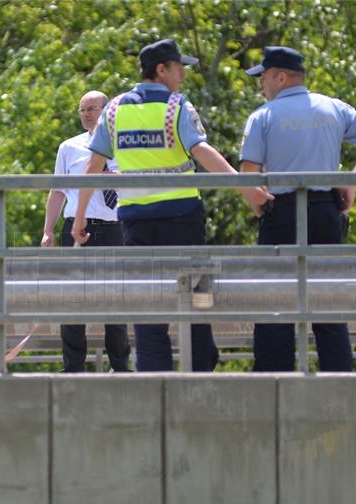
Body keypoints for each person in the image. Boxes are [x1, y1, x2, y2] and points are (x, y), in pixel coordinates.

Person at [72, 38, 270, 372]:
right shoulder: (177, 106)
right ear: (161, 70)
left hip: (136, 222)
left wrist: (80, 218)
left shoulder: (114, 109)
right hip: (183, 218)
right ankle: (202, 366)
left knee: (148, 306)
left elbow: (93, 166)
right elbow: (201, 151)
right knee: (197, 295)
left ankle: (155, 378)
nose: (182, 75)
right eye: (179, 68)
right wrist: (245, 186)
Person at [240, 46, 356, 372]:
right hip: (325, 212)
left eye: (263, 78)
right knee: (327, 302)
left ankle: (271, 384)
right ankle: (339, 384)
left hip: (281, 213)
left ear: (279, 77)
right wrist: (350, 184)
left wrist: (257, 203)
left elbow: (248, 176)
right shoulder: (333, 107)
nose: (261, 86)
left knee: (275, 304)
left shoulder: (263, 116)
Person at [41, 90, 131, 373]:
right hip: (77, 228)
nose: (85, 114)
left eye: (91, 108)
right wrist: (48, 231)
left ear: (105, 110)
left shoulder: (125, 145)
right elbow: (56, 191)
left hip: (115, 228)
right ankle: (73, 367)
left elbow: (135, 183)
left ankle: (119, 365)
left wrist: (107, 175)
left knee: (116, 301)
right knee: (72, 300)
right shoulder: (69, 147)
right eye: (81, 110)